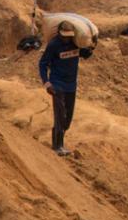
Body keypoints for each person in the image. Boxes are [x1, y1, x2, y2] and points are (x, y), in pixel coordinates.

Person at [37, 20, 92, 156]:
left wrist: (92, 46)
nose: (66, 38)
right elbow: (43, 64)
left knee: (67, 120)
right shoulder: (54, 45)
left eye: (68, 36)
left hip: (71, 85)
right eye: (64, 36)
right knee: (60, 115)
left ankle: (58, 141)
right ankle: (57, 146)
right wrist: (47, 83)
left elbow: (85, 54)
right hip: (57, 84)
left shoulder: (76, 42)